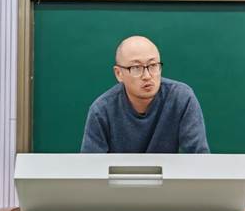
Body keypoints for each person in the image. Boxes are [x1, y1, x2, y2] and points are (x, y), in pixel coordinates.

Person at [81, 35, 210, 153]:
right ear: (119, 73)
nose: (147, 76)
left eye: (153, 65)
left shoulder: (181, 98)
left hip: (168, 172)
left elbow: (200, 158)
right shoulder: (101, 110)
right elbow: (91, 166)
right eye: (136, 68)